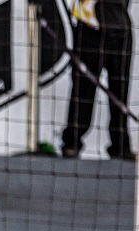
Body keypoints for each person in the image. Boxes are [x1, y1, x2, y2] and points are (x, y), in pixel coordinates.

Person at [61, 0, 133, 160]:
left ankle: (120, 146)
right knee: (83, 90)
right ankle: (71, 143)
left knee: (120, 91)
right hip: (91, 28)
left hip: (120, 29)